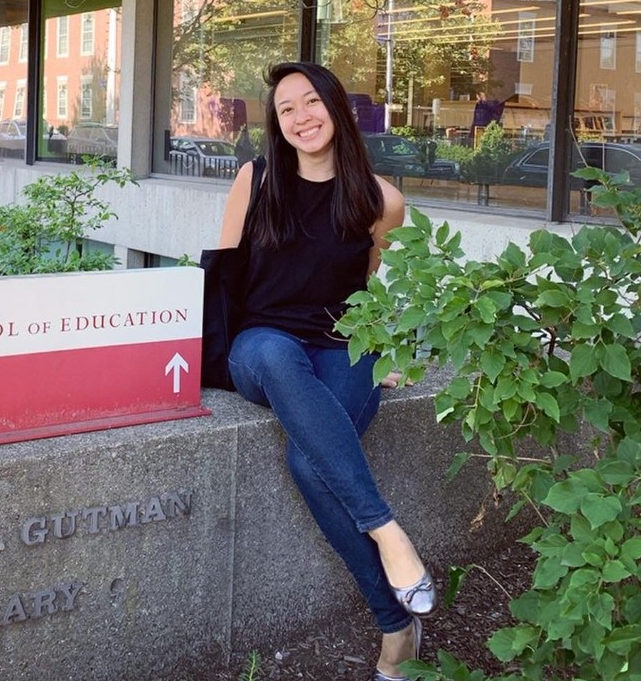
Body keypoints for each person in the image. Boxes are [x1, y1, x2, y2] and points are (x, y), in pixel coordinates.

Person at [217, 62, 436, 681]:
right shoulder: (255, 181)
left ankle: (396, 629)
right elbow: (225, 281)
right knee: (275, 353)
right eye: (287, 109)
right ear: (276, 124)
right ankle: (389, 533)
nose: (301, 117)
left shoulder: (381, 200)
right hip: (258, 348)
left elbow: (363, 288)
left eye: (312, 102)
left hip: (340, 348)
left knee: (307, 463)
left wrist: (379, 356)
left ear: (338, 109)